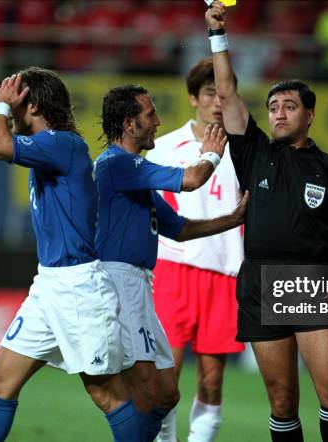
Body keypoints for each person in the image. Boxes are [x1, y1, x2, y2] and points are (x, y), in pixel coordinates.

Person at [205, 3, 328, 441]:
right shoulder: (254, 151)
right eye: (274, 106)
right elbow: (226, 94)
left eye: (289, 106)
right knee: (281, 400)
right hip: (260, 280)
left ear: (309, 115)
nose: (279, 113)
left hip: (311, 281)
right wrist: (218, 36)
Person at [0, 68, 147, 442]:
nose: (11, 110)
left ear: (32, 104)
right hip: (48, 285)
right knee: (1, 383)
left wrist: (0, 106)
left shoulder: (62, 144)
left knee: (106, 394)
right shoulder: (47, 149)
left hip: (79, 288)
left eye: (18, 101)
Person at [95, 84, 248, 441]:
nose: (158, 121)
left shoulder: (135, 173)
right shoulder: (118, 163)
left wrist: (234, 219)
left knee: (165, 392)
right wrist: (210, 155)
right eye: (151, 115)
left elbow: (178, 228)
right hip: (120, 285)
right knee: (146, 389)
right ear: (131, 124)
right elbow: (191, 179)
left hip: (141, 284)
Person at [145, 58, 244, 442]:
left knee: (213, 379)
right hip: (173, 270)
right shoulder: (166, 147)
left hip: (224, 274)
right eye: (208, 93)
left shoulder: (245, 151)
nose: (217, 101)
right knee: (166, 377)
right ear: (192, 98)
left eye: (223, 92)